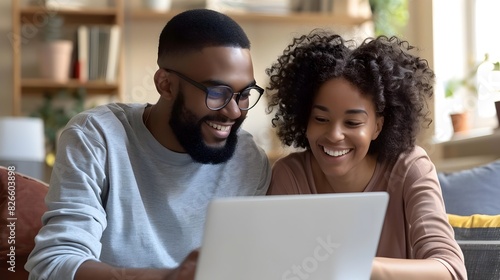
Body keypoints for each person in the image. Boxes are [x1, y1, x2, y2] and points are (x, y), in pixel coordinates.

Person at [25, 9, 271, 280]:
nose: (235, 112)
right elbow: (53, 266)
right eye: (217, 93)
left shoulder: (248, 158)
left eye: (244, 94)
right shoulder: (97, 137)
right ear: (165, 85)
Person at [265, 30, 467, 280]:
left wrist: (358, 266)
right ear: (305, 120)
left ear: (377, 126)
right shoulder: (290, 175)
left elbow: (451, 270)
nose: (335, 134)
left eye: (352, 122)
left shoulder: (410, 167)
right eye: (321, 119)